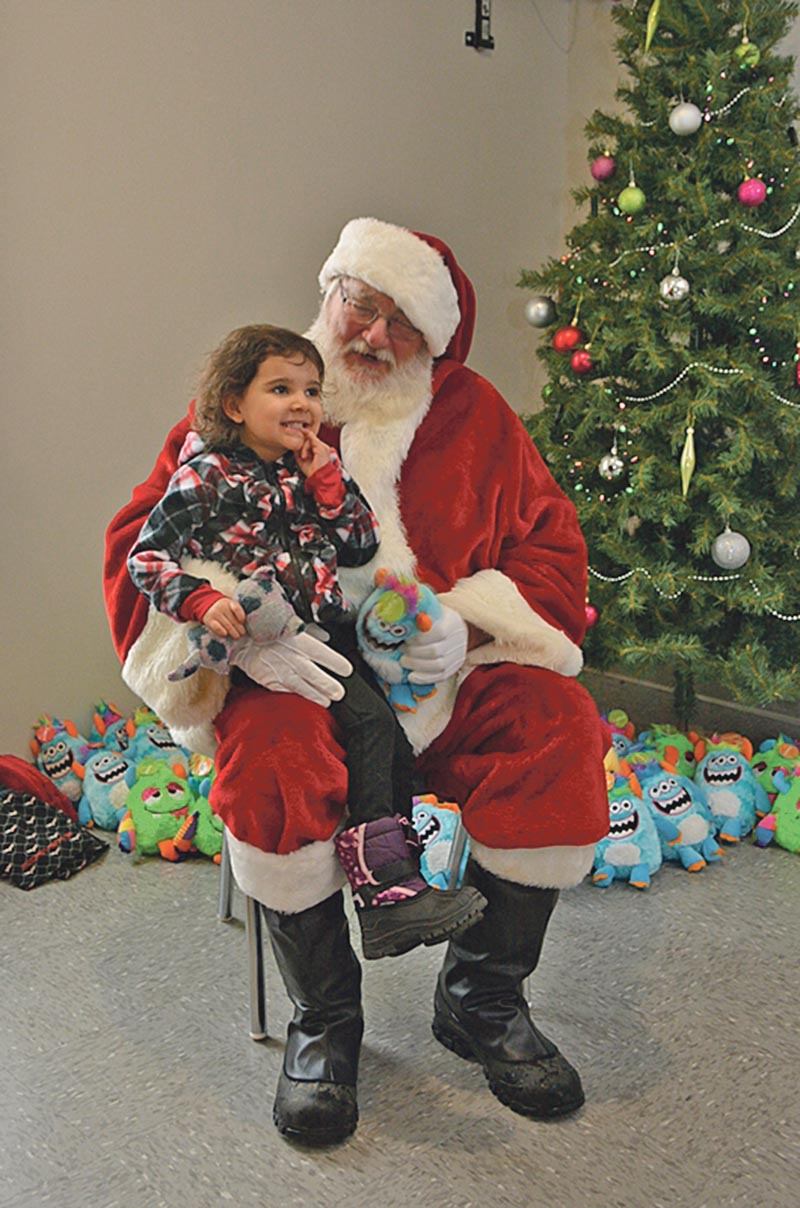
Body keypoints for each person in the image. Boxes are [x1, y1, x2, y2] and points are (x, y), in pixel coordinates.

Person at [104, 217, 610, 1147]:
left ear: (437, 342)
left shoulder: (479, 416)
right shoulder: (256, 401)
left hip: (448, 678)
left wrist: (467, 622)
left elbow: (551, 546)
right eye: (360, 307)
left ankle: (481, 997)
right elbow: (139, 544)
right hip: (297, 673)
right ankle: (327, 1022)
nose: (374, 336)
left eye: (403, 323)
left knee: (560, 728)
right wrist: (243, 636)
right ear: (330, 295)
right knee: (272, 766)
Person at [125, 323, 486, 960]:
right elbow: (146, 559)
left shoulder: (307, 468)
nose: (302, 403)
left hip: (330, 630)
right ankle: (383, 895)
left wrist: (329, 485)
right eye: (282, 388)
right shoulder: (203, 474)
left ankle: (394, 882)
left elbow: (361, 546)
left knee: (395, 746)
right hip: (268, 643)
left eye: (312, 390)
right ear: (235, 404)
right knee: (374, 730)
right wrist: (204, 600)